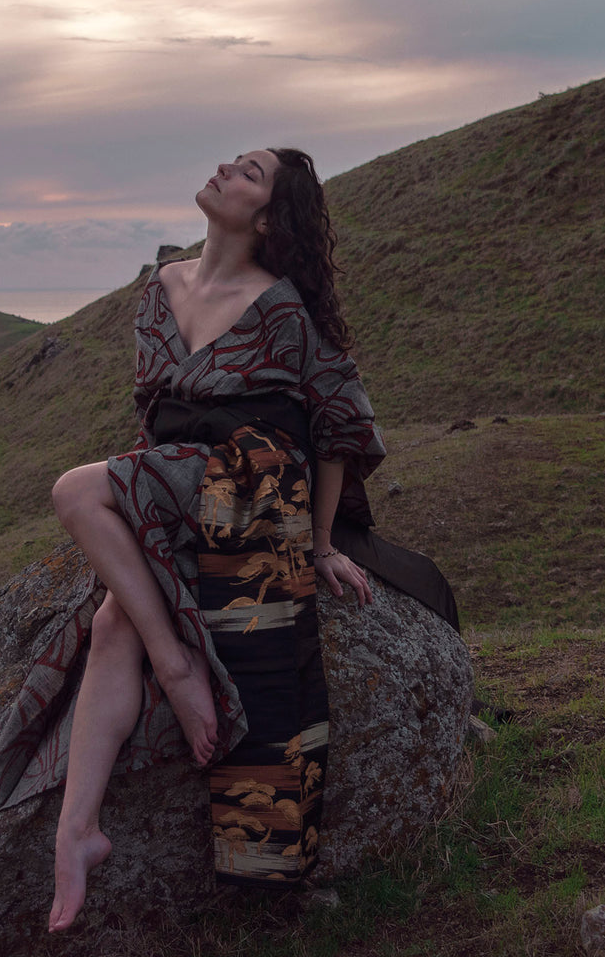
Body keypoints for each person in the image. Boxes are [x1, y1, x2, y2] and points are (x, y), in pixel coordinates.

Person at [41, 148, 386, 932]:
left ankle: (179, 667)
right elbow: (150, 412)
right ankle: (79, 830)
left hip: (257, 493)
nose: (226, 167)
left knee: (75, 489)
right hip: (179, 478)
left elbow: (339, 425)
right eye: (235, 160)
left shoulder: (283, 307)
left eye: (250, 173)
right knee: (111, 620)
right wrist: (146, 508)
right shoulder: (158, 290)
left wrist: (324, 542)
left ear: (267, 218)